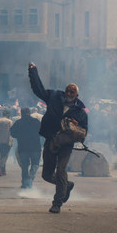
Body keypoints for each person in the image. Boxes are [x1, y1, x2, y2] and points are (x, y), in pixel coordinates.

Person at [28, 62, 88, 214]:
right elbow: (38, 90)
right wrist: (33, 71)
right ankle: (66, 185)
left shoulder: (80, 112)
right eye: (68, 90)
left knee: (61, 170)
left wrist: (76, 125)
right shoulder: (54, 97)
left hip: (66, 145)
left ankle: (57, 203)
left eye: (72, 92)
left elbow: (84, 131)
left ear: (77, 95)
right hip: (51, 140)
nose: (69, 93)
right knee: (47, 175)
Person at [11, 107, 42, 188]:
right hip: (35, 147)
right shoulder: (35, 121)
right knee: (35, 164)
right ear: (30, 113)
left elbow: (12, 133)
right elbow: (42, 132)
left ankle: (25, 183)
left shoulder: (18, 122)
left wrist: (20, 136)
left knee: (24, 166)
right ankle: (30, 179)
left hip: (23, 147)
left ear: (21, 113)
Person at [0, 110, 14, 176]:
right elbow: (11, 131)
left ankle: (2, 171)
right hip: (7, 140)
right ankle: (0, 166)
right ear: (8, 115)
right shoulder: (9, 121)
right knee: (5, 155)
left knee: (2, 154)